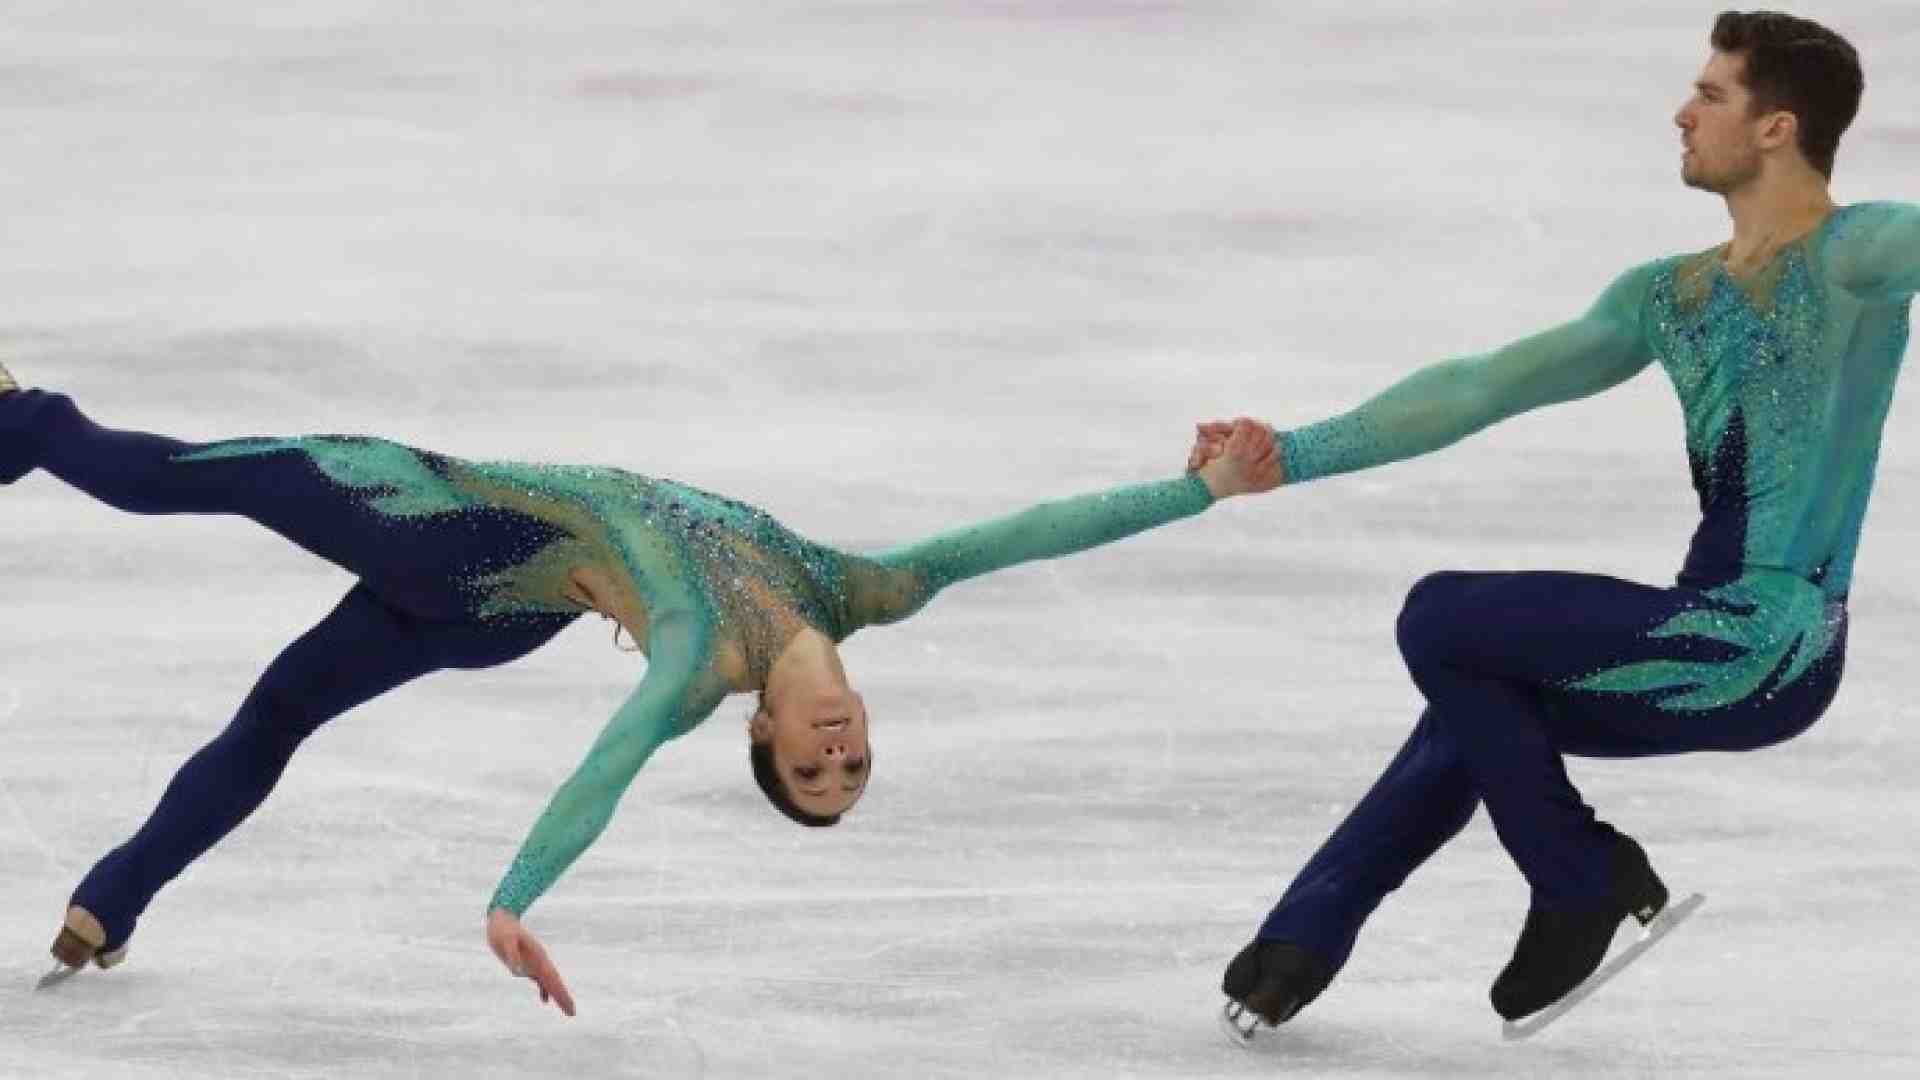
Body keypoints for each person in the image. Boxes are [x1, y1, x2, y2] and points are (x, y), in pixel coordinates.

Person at [0, 366, 1281, 1015]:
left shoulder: (696, 656)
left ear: (762, 733)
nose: (834, 752)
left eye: (808, 771)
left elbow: (605, 767)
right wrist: (1200, 491)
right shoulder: (865, 591)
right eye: (851, 767)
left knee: (177, 482)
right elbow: (1033, 533)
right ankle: (110, 901)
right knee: (271, 705)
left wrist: (515, 900)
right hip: (496, 603)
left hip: (434, 527)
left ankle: (21, 408)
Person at [1197, 10, 1917, 1031]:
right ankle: (1297, 948)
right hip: (1701, 635)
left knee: (1443, 618)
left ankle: (1579, 873)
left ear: (1776, 128)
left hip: (1769, 641)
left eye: (1710, 95)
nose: (1683, 113)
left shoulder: (1856, 254)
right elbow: (1477, 387)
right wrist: (1290, 455)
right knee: (1477, 706)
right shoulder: (1669, 296)